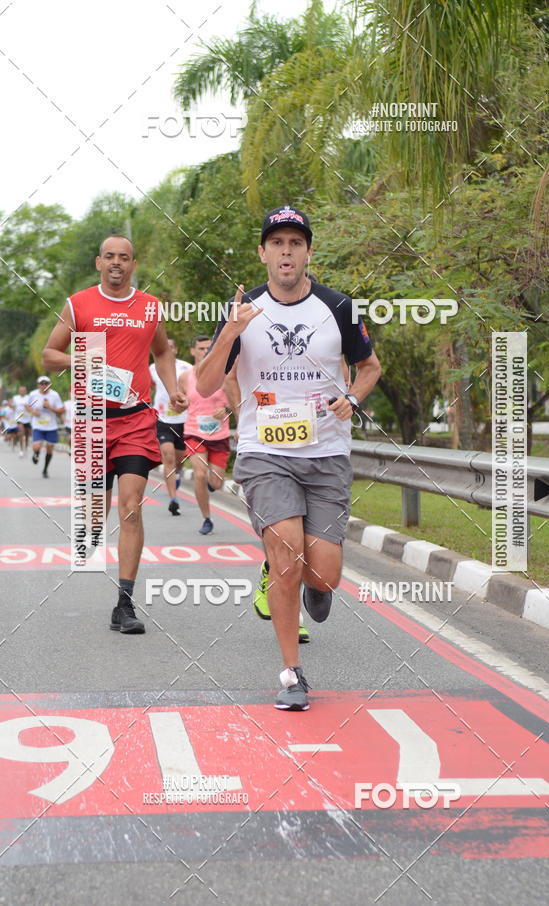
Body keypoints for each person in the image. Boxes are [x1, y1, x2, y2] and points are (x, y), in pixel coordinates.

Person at [197, 205, 381, 710]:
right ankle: (291, 674)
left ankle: (314, 588)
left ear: (308, 252)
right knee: (286, 558)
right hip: (264, 453)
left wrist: (355, 398)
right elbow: (209, 383)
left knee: (323, 573)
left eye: (295, 243)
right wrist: (231, 334)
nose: (285, 251)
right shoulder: (241, 310)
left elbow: (368, 367)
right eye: (276, 243)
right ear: (262, 253)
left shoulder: (339, 307)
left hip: (326, 453)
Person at [43, 234, 187, 635]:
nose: (117, 263)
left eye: (124, 257)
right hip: (91, 420)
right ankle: (91, 535)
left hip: (136, 419)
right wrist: (83, 357)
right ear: (98, 263)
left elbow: (162, 352)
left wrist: (171, 386)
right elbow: (49, 353)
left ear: (134, 264)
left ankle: (124, 603)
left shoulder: (150, 307)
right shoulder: (79, 304)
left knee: (131, 505)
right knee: (94, 514)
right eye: (110, 257)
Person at [180, 335, 238, 535]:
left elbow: (236, 401)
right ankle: (206, 518)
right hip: (194, 432)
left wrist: (227, 410)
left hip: (219, 434)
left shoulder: (224, 375)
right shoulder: (185, 377)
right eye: (201, 348)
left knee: (216, 482)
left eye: (208, 348)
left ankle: (210, 485)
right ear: (193, 352)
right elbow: (180, 401)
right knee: (199, 473)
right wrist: (175, 404)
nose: (205, 351)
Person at [149, 337, 191, 516]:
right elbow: (149, 389)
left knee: (180, 460)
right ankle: (173, 499)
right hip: (163, 419)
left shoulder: (187, 369)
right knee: (168, 458)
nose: (168, 348)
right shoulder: (152, 368)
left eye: (171, 346)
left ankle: (178, 474)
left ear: (175, 350)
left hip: (183, 420)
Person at [25, 377, 64, 476]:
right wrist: (33, 412)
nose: (44, 386)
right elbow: (26, 405)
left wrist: (50, 407)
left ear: (49, 384)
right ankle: (36, 454)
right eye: (41, 384)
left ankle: (45, 469)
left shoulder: (54, 395)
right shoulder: (33, 394)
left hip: (51, 426)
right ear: (38, 385)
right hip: (38, 425)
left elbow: (61, 410)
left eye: (46, 383)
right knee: (37, 446)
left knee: (49, 448)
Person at [13, 385, 32, 457]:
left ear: (26, 391)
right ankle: (21, 450)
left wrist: (28, 408)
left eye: (23, 390)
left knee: (27, 434)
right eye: (21, 390)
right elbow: (14, 407)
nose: (22, 392)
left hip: (27, 419)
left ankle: (26, 448)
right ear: (19, 391)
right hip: (19, 418)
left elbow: (31, 407)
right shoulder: (16, 398)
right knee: (21, 432)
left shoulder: (29, 398)